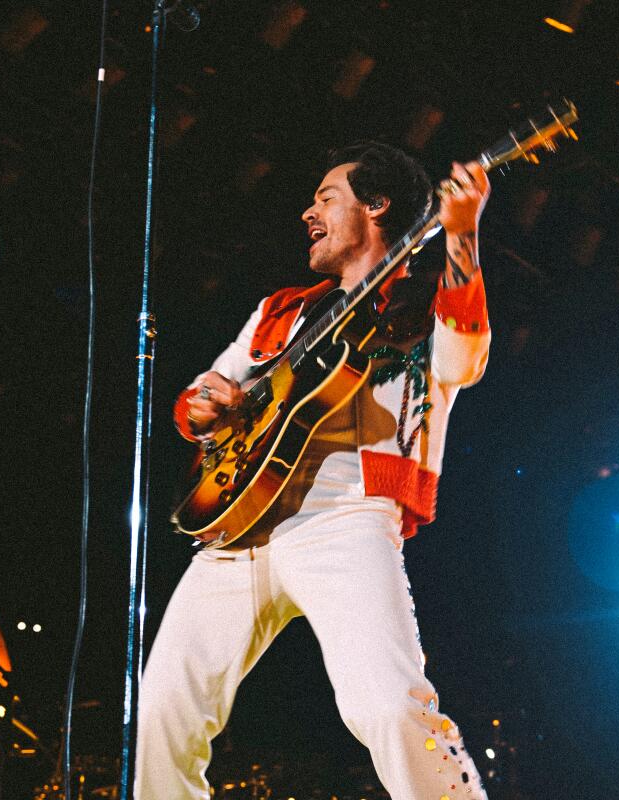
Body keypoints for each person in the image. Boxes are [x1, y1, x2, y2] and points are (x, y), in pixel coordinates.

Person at [135, 141, 492, 799]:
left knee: (387, 705)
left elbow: (463, 362)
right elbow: (208, 391)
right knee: (161, 713)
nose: (308, 212)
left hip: (347, 517)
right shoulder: (281, 311)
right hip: (238, 523)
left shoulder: (421, 308)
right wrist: (207, 402)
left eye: (326, 198)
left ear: (377, 206)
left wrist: (463, 233)